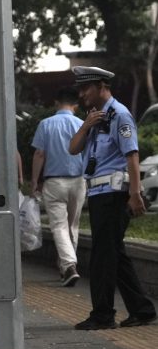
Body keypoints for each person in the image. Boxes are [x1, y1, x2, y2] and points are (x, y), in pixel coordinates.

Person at [68, 66, 156, 330]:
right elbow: (73, 148)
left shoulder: (120, 115)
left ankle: (103, 315)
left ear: (102, 86)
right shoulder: (95, 117)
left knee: (103, 257)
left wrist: (135, 193)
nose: (82, 94)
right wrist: (85, 126)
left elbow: (132, 155)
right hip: (98, 193)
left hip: (113, 194)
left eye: (86, 88)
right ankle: (142, 310)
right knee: (114, 255)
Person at [30, 87, 87, 286]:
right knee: (73, 225)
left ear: (56, 102)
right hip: (79, 181)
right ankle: (66, 267)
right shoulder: (82, 124)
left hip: (54, 182)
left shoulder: (45, 124)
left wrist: (34, 181)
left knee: (59, 226)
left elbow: (39, 154)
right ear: (76, 105)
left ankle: (69, 265)